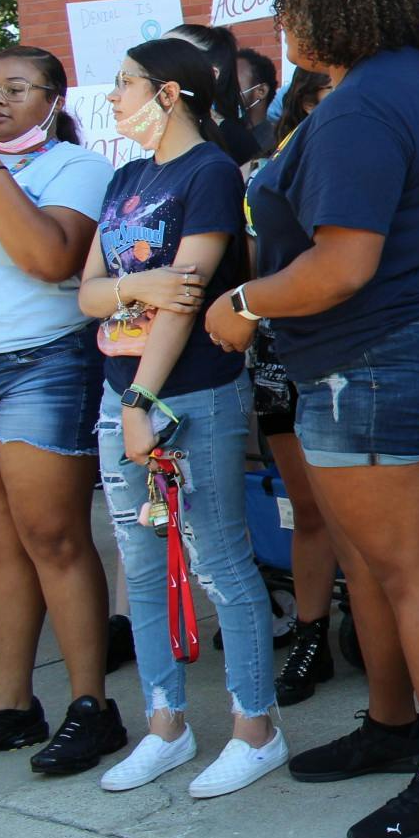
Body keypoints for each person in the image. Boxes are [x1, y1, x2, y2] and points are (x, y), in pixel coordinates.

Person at [203, 0, 419, 838]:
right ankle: (391, 723)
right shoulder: (391, 83)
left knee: (410, 567)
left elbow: (343, 262)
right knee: (374, 563)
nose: (284, 31)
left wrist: (244, 301)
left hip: (375, 357)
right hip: (363, 360)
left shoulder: (366, 105)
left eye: (292, 12)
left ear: (329, 10)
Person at [75, 39, 283, 796]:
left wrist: (141, 401)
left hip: (188, 391)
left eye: (124, 83)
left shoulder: (211, 173)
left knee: (217, 559)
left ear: (168, 93)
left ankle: (255, 726)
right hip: (118, 389)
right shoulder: (127, 178)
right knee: (139, 559)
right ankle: (166, 721)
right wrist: (144, 283)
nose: (113, 97)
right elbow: (89, 294)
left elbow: (188, 295)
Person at [0, 47, 116, 772]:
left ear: (54, 97)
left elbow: (49, 258)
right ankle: (10, 704)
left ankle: (90, 704)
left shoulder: (76, 167)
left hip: (42, 363)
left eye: (14, 88)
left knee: (53, 536)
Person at [250, 65, 341, 708]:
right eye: (325, 95)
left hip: (352, 349)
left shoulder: (370, 154)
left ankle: (376, 625)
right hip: (277, 347)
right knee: (308, 508)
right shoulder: (267, 165)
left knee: (364, 515)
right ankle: (313, 636)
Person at [166, 24, 262, 165]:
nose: (158, 63)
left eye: (172, 57)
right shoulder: (150, 133)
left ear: (211, 73)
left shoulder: (235, 140)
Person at [234, 48, 279, 150]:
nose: (227, 89)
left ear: (261, 91)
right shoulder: (224, 134)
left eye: (234, 83)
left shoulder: (273, 143)